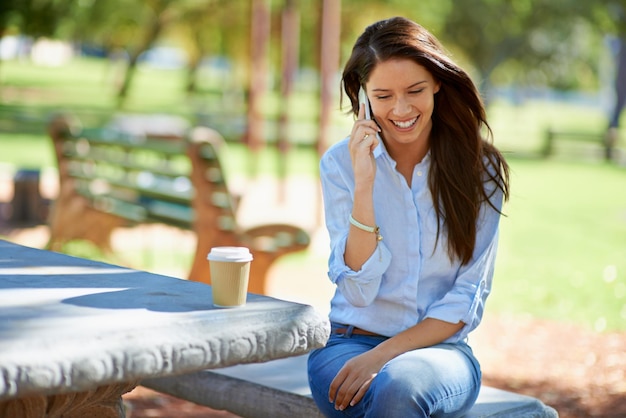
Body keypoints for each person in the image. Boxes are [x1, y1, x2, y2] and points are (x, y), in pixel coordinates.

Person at [307, 16, 510, 418]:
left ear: (437, 82)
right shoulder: (340, 166)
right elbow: (358, 293)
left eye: (414, 90)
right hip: (349, 344)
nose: (400, 109)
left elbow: (465, 300)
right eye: (382, 96)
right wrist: (364, 184)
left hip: (439, 356)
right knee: (388, 396)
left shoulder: (480, 171)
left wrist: (381, 357)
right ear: (362, 97)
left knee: (398, 389)